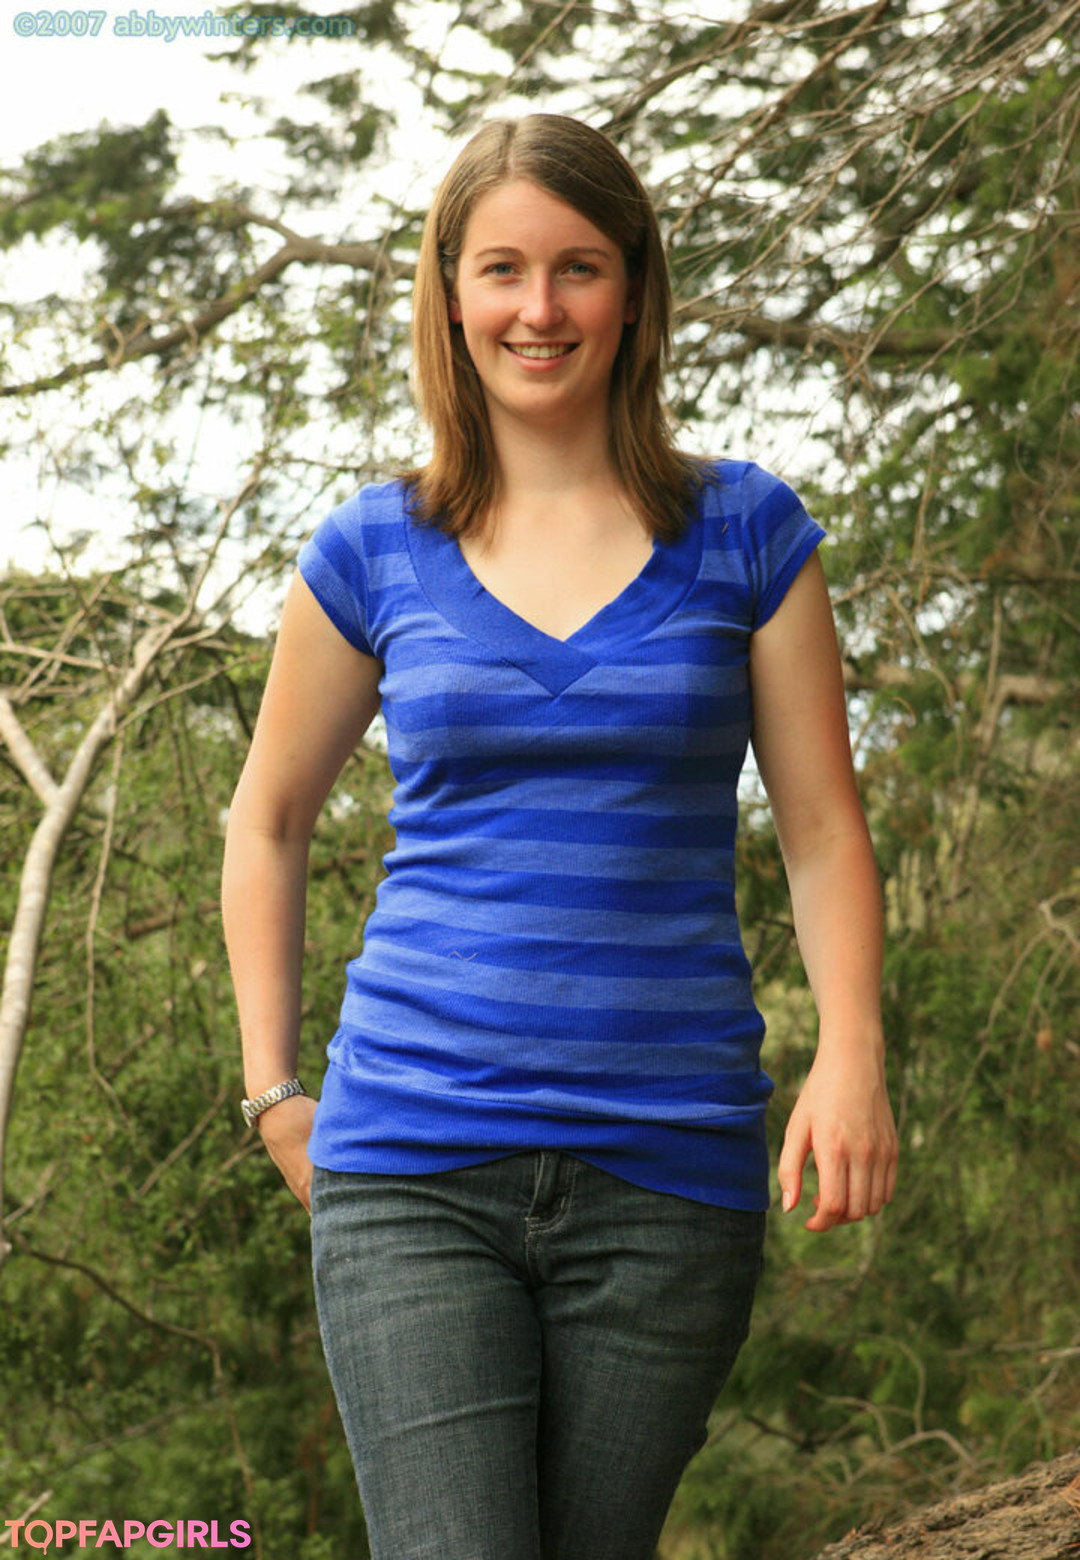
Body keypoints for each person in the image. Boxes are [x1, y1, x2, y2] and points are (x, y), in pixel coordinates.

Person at [221, 114, 898, 1560]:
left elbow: (822, 831)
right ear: (450, 294)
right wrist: (275, 1092)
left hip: (668, 1173)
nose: (541, 308)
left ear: (634, 290)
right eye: (503, 270)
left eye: (579, 267)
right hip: (413, 1167)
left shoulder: (747, 533)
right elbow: (267, 820)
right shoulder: (371, 548)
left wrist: (850, 1055)